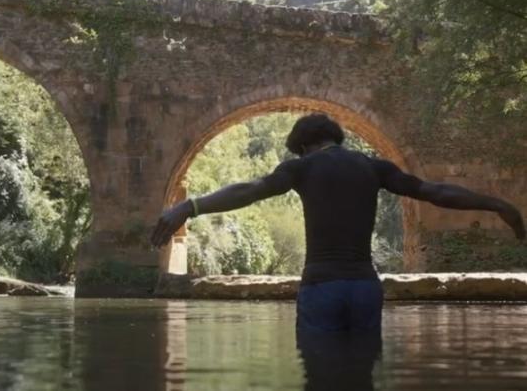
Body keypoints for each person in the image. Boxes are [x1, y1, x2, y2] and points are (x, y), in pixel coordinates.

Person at [151, 113, 525, 332]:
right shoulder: (374, 167)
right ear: (335, 138)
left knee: (320, 374)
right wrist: (495, 204)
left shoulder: (300, 167)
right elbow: (435, 192)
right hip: (365, 288)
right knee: (359, 376)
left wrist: (191, 206)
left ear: (302, 146)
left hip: (321, 288)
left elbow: (250, 190)